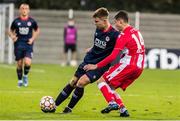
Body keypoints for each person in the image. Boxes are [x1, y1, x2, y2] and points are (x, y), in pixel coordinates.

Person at [55, 7, 120, 113]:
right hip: (88, 60)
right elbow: (98, 44)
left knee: (81, 82)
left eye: (96, 21)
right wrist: (92, 48)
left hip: (99, 66)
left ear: (104, 20)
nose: (95, 24)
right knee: (73, 82)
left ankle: (69, 108)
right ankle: (54, 105)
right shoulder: (98, 29)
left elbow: (117, 50)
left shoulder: (114, 35)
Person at [84, 10, 145, 117]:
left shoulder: (123, 35)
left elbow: (112, 56)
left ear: (120, 21)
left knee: (101, 81)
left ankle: (111, 103)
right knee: (110, 87)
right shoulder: (137, 31)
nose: (115, 25)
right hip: (139, 67)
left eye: (116, 22)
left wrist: (96, 66)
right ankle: (123, 109)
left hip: (128, 65)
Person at [8, 3, 40, 87]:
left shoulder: (32, 21)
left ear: (28, 10)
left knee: (27, 62)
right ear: (20, 10)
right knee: (19, 63)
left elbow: (37, 30)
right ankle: (19, 81)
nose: (24, 10)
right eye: (23, 8)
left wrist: (32, 39)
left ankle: (25, 76)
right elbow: (10, 30)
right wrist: (12, 36)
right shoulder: (16, 21)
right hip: (18, 44)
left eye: (26, 8)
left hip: (28, 44)